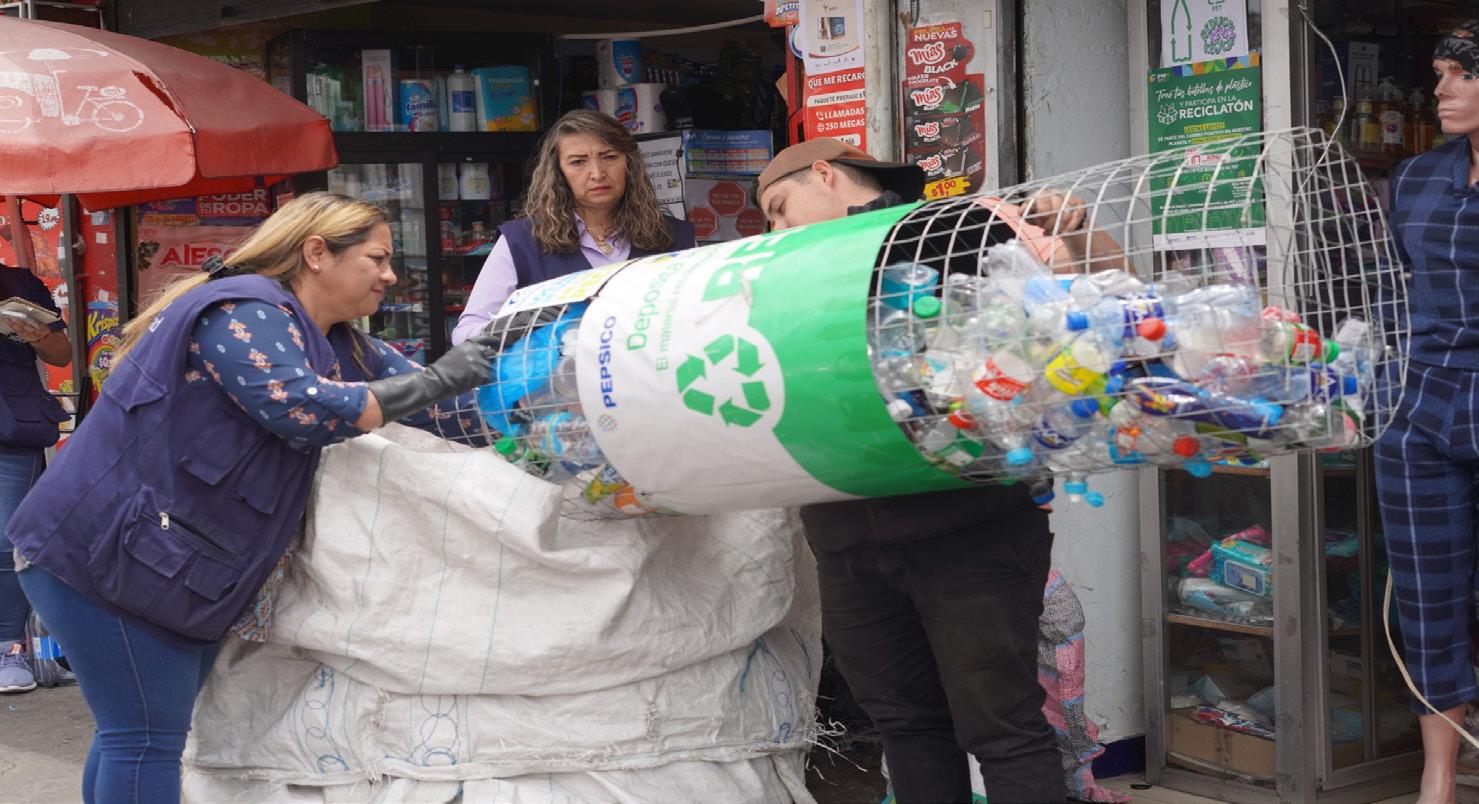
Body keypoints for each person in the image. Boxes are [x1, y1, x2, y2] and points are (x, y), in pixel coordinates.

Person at [5, 192, 506, 804]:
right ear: (317, 253)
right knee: (143, 738)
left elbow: (438, 408)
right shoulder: (243, 312)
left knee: (133, 735)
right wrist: (443, 377)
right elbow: (300, 408)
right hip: (103, 554)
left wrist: (543, 414)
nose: (390, 275)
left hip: (163, 560)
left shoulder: (339, 343)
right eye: (376, 258)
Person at [756, 138, 1120, 804]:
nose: (775, 229)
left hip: (968, 531)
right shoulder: (780, 278)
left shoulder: (948, 229)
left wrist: (1075, 227)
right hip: (846, 540)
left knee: (1003, 724)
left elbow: (1100, 307)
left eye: (780, 208)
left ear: (823, 174)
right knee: (904, 724)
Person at [1378, 20, 1479, 804]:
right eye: (1439, 72)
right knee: (1426, 596)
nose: (1440, 89)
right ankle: (1437, 776)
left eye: (1460, 74)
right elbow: (1386, 294)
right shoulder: (1414, 177)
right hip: (1420, 408)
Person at [452, 109, 696, 344]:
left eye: (609, 157)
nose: (597, 173)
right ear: (558, 172)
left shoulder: (677, 237)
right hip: (558, 374)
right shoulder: (521, 240)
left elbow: (703, 320)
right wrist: (519, 328)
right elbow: (467, 332)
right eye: (578, 162)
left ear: (629, 164)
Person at [0, 227, 71, 695]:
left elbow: (62, 353)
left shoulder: (21, 284)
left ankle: (10, 647)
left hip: (13, 425)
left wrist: (38, 334)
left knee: (8, 539)